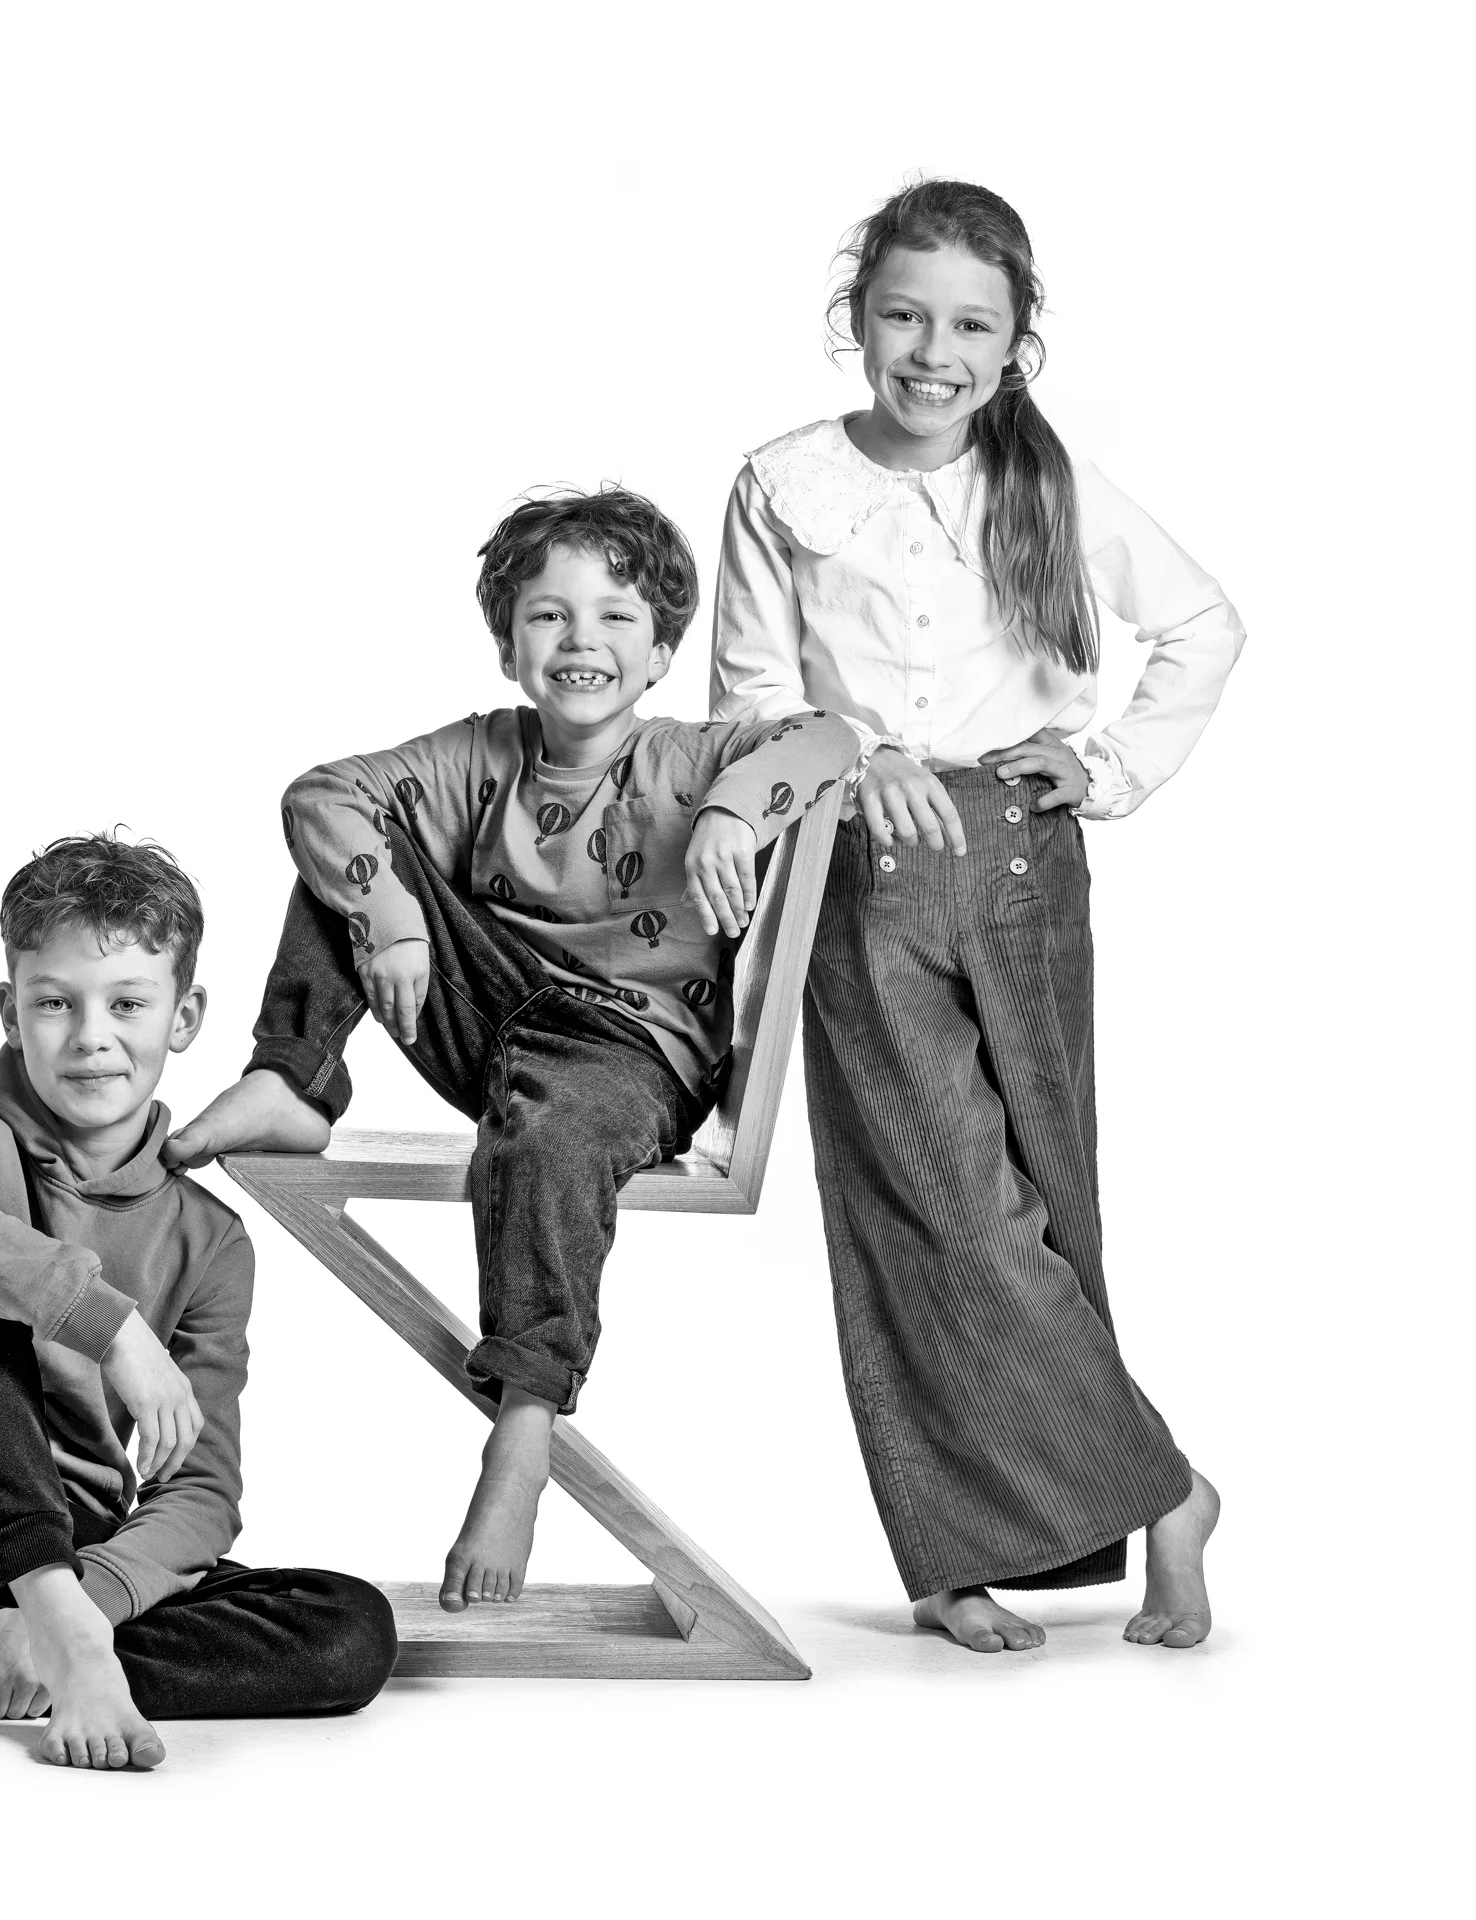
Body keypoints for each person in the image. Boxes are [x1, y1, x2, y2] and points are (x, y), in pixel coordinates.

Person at [711, 179, 1242, 1653]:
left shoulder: (1047, 487)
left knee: (1041, 1208)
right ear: (856, 319)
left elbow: (1203, 624)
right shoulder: (783, 483)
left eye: (968, 327)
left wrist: (1107, 765)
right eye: (903, 317)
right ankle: (1017, 1536)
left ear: (1016, 344)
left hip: (1021, 861)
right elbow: (748, 695)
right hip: (855, 870)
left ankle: (1134, 1505)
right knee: (924, 1213)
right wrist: (853, 755)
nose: (931, 353)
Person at [172, 488, 859, 1613]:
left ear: (662, 654)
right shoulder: (484, 754)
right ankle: (290, 1079)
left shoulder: (693, 758)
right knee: (358, 844)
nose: (582, 639)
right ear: (509, 647)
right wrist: (393, 917)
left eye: (617, 617)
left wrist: (735, 811)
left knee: (551, 1132)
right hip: (489, 1020)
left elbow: (830, 737)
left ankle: (523, 1431)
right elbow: (322, 796)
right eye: (550, 615)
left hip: (630, 1054)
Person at [0, 833, 397, 1768]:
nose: (91, 1036)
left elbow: (199, 1489)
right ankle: (63, 1641)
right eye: (55, 1002)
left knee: (348, 1628)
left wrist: (89, 1596)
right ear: (11, 1013)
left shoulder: (209, 1241)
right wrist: (109, 1322)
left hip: (44, 1559)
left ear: (184, 1017)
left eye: (128, 1003)